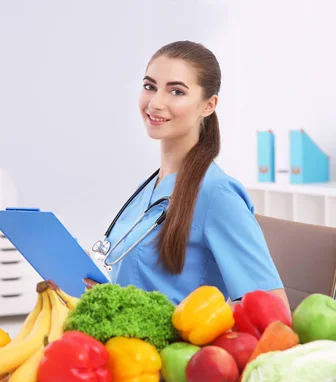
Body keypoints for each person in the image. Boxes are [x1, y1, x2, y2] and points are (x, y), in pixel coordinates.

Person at [85, 40, 289, 309]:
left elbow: (274, 307)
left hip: (175, 349)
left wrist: (199, 322)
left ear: (208, 105)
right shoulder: (148, 188)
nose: (156, 102)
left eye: (177, 92)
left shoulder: (217, 194)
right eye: (150, 87)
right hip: (125, 342)